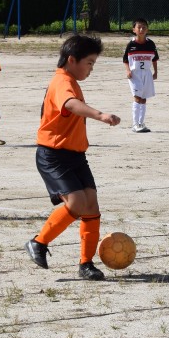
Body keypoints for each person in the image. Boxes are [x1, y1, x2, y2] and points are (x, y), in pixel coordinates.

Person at [25, 34, 121, 281]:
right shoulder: (62, 81)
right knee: (77, 202)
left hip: (75, 155)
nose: (91, 69)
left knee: (91, 205)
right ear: (71, 60)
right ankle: (38, 242)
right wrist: (100, 115)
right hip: (53, 155)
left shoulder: (71, 81)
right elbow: (70, 104)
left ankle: (86, 264)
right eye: (89, 63)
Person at [122, 18, 159, 133]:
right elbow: (125, 60)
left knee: (143, 98)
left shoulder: (150, 44)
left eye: (144, 27)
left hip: (147, 73)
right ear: (134, 30)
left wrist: (155, 72)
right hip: (135, 74)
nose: (141, 29)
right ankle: (135, 124)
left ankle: (141, 123)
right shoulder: (131, 44)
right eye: (139, 27)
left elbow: (155, 59)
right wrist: (128, 71)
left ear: (147, 29)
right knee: (137, 97)